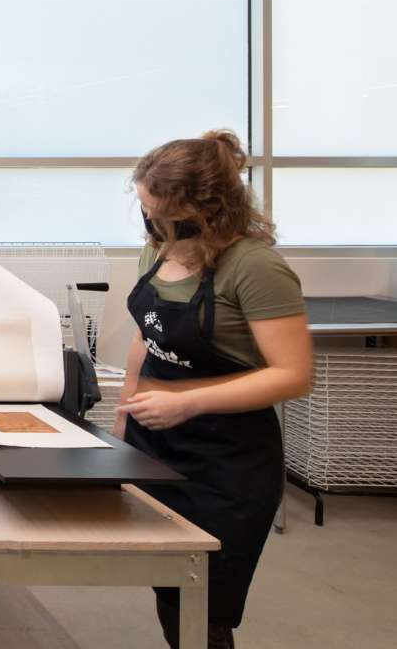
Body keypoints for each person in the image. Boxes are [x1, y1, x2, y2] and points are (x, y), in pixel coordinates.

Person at [115, 130, 312, 649]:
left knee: (203, 606)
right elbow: (147, 337)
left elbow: (293, 373)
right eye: (145, 211)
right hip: (157, 445)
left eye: (162, 214)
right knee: (171, 590)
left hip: (228, 462)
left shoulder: (254, 267)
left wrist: (188, 401)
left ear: (207, 210)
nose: (152, 225)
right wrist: (122, 417)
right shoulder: (156, 255)